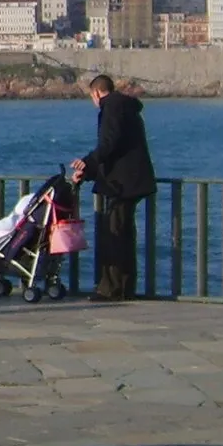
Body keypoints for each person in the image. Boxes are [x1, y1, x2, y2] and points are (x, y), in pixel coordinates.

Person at [68, 74, 156, 302]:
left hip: (122, 185)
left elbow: (109, 143)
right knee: (123, 234)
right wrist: (88, 172)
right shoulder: (126, 107)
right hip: (130, 180)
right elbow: (115, 149)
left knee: (114, 236)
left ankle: (112, 289)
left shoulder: (112, 107)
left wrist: (87, 162)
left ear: (96, 93)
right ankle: (124, 287)